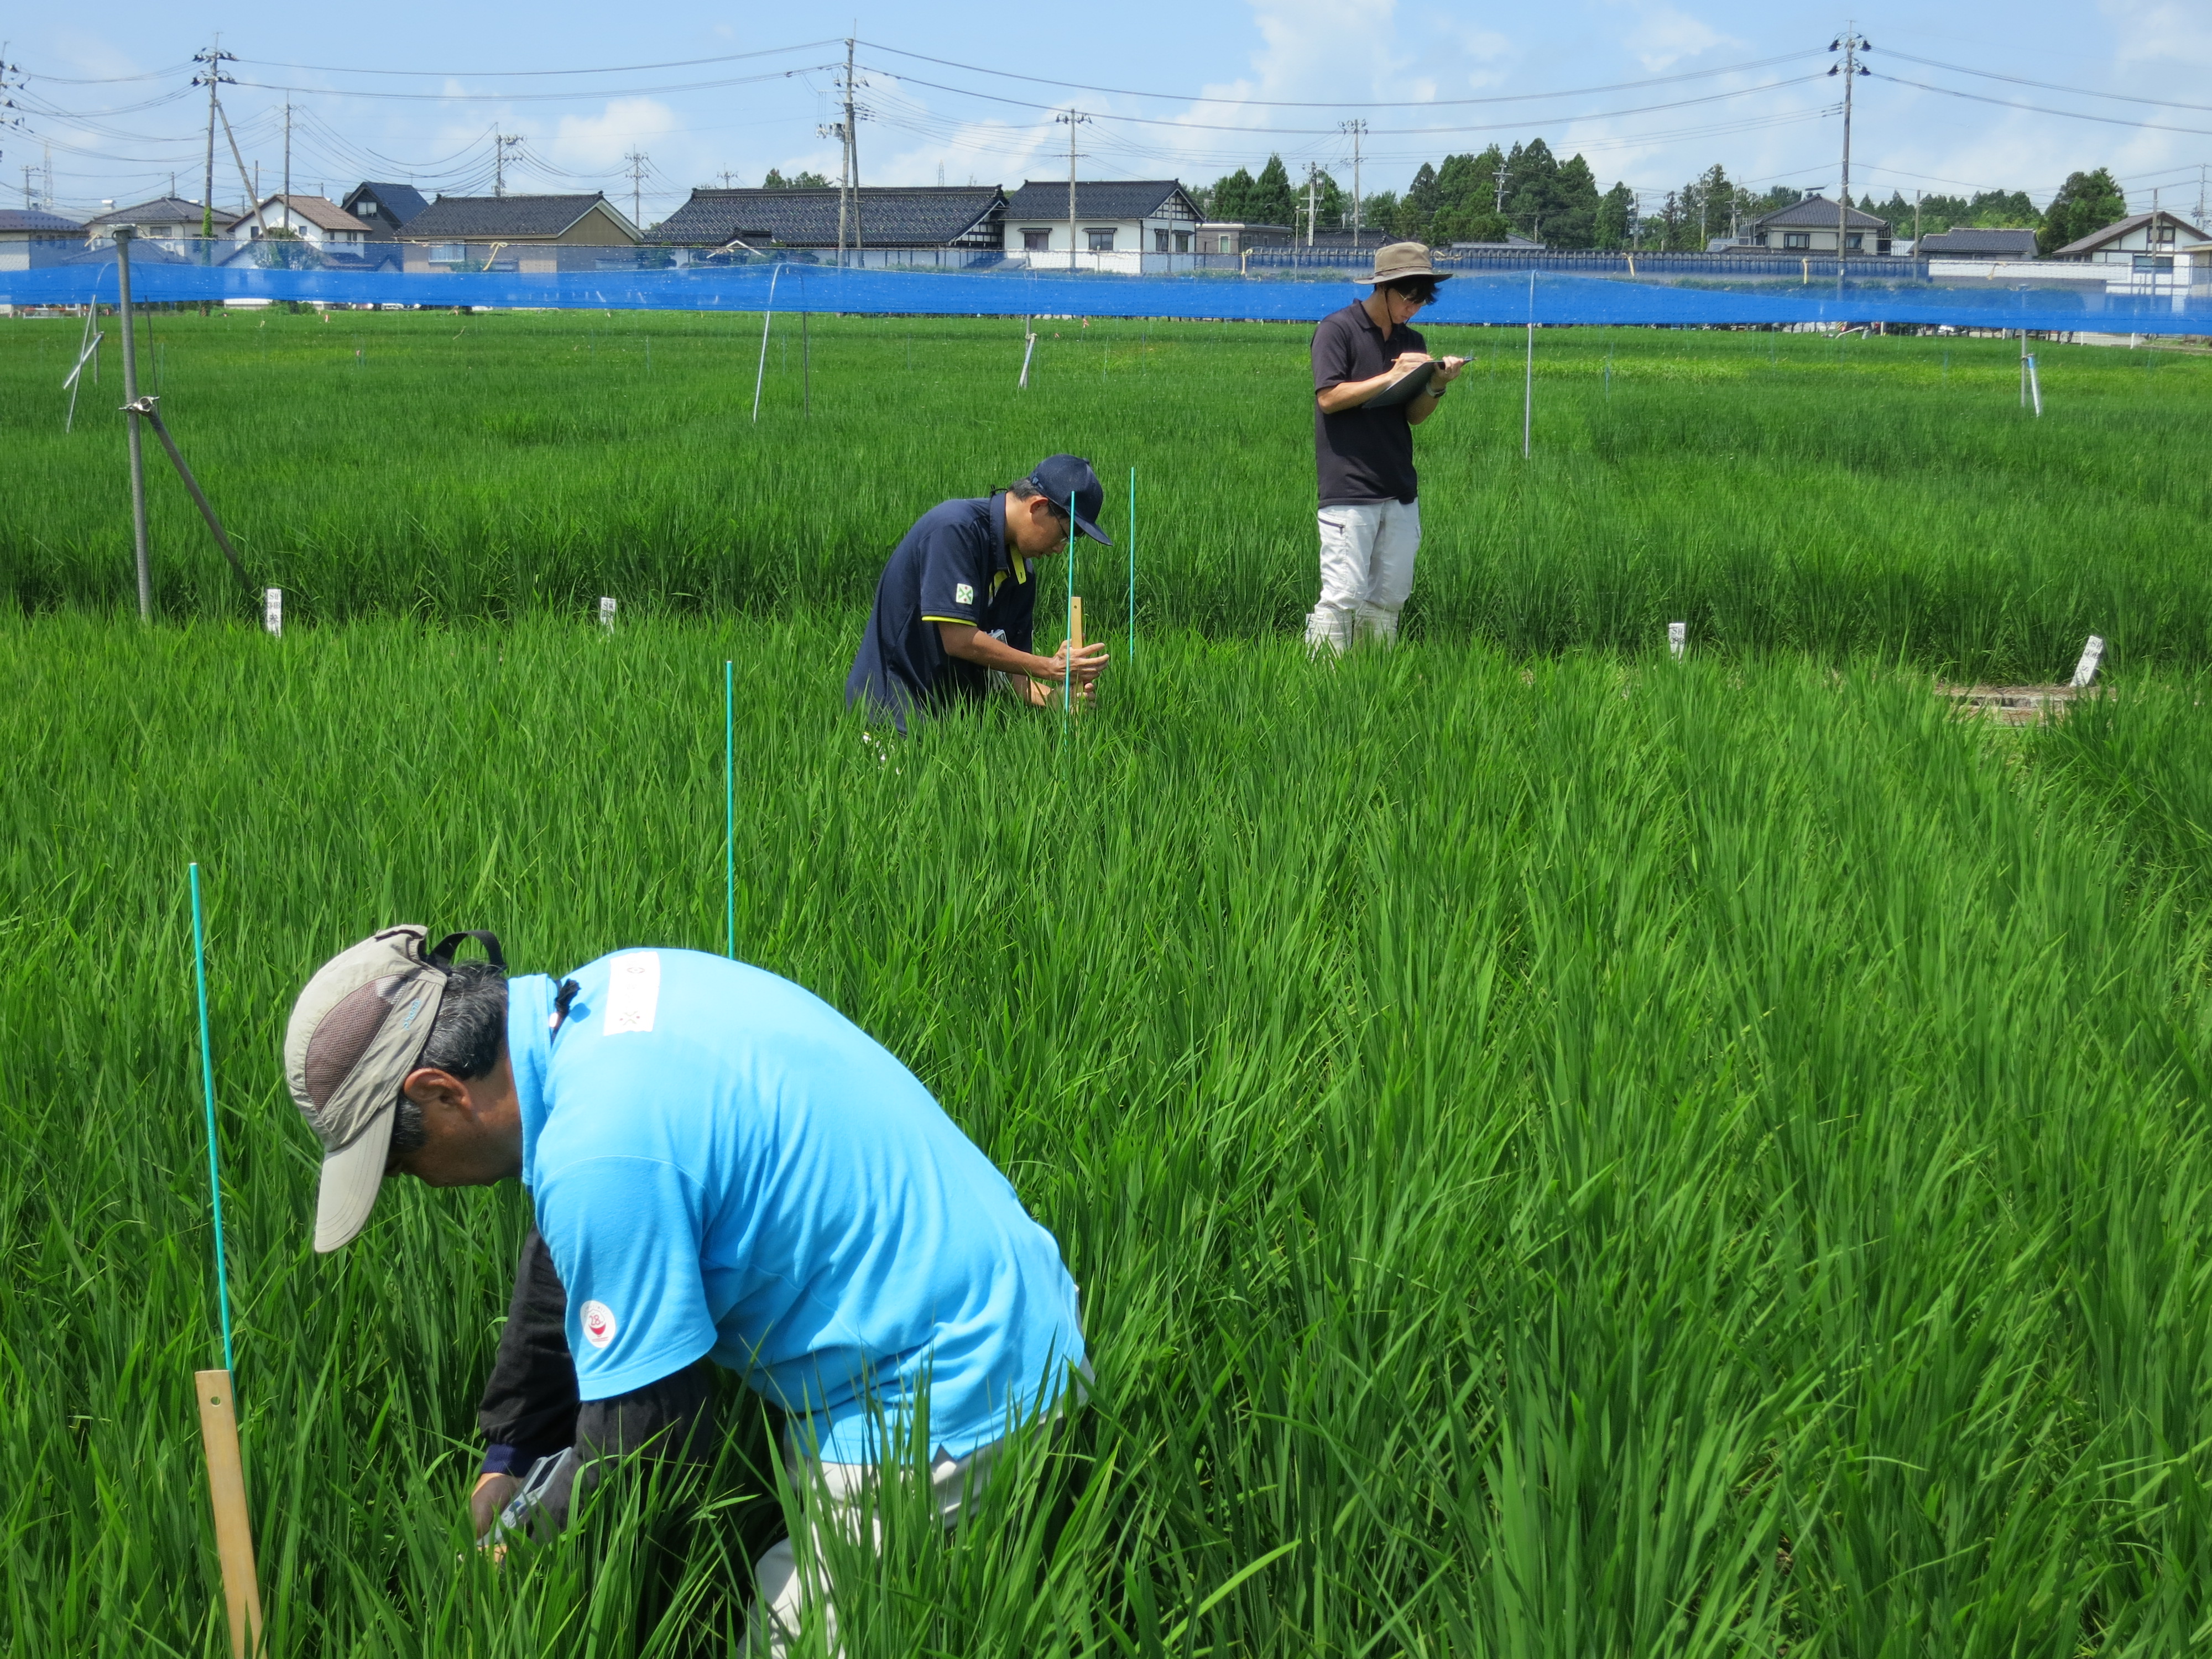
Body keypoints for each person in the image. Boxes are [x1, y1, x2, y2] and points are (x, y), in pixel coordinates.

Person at [284, 926, 1088, 1650]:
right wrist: (515, 1447)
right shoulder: (600, 1003)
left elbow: (652, 1437)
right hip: (1001, 1303)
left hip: (953, 1388)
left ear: (440, 1093)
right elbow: (569, 1251)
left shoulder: (601, 1150)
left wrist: (520, 1552)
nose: (417, 1182)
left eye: (399, 1160)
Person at [845, 454, 1112, 733]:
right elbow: (958, 640)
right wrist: (1049, 667)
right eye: (1065, 534)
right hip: (890, 717)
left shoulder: (1022, 573)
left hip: (953, 726)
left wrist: (1054, 699)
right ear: (1039, 506)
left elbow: (1013, 671)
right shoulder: (954, 531)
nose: (1061, 548)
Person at [1305, 242, 1466, 654]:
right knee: (1343, 595)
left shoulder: (1412, 339)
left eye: (1421, 301)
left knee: (1390, 597)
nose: (1413, 308)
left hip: (1399, 486)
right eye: (1408, 298)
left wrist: (1436, 383)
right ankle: (1323, 686)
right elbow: (1328, 398)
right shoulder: (1336, 329)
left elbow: (1414, 416)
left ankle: (1372, 679)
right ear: (1384, 288)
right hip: (1349, 487)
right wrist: (1391, 374)